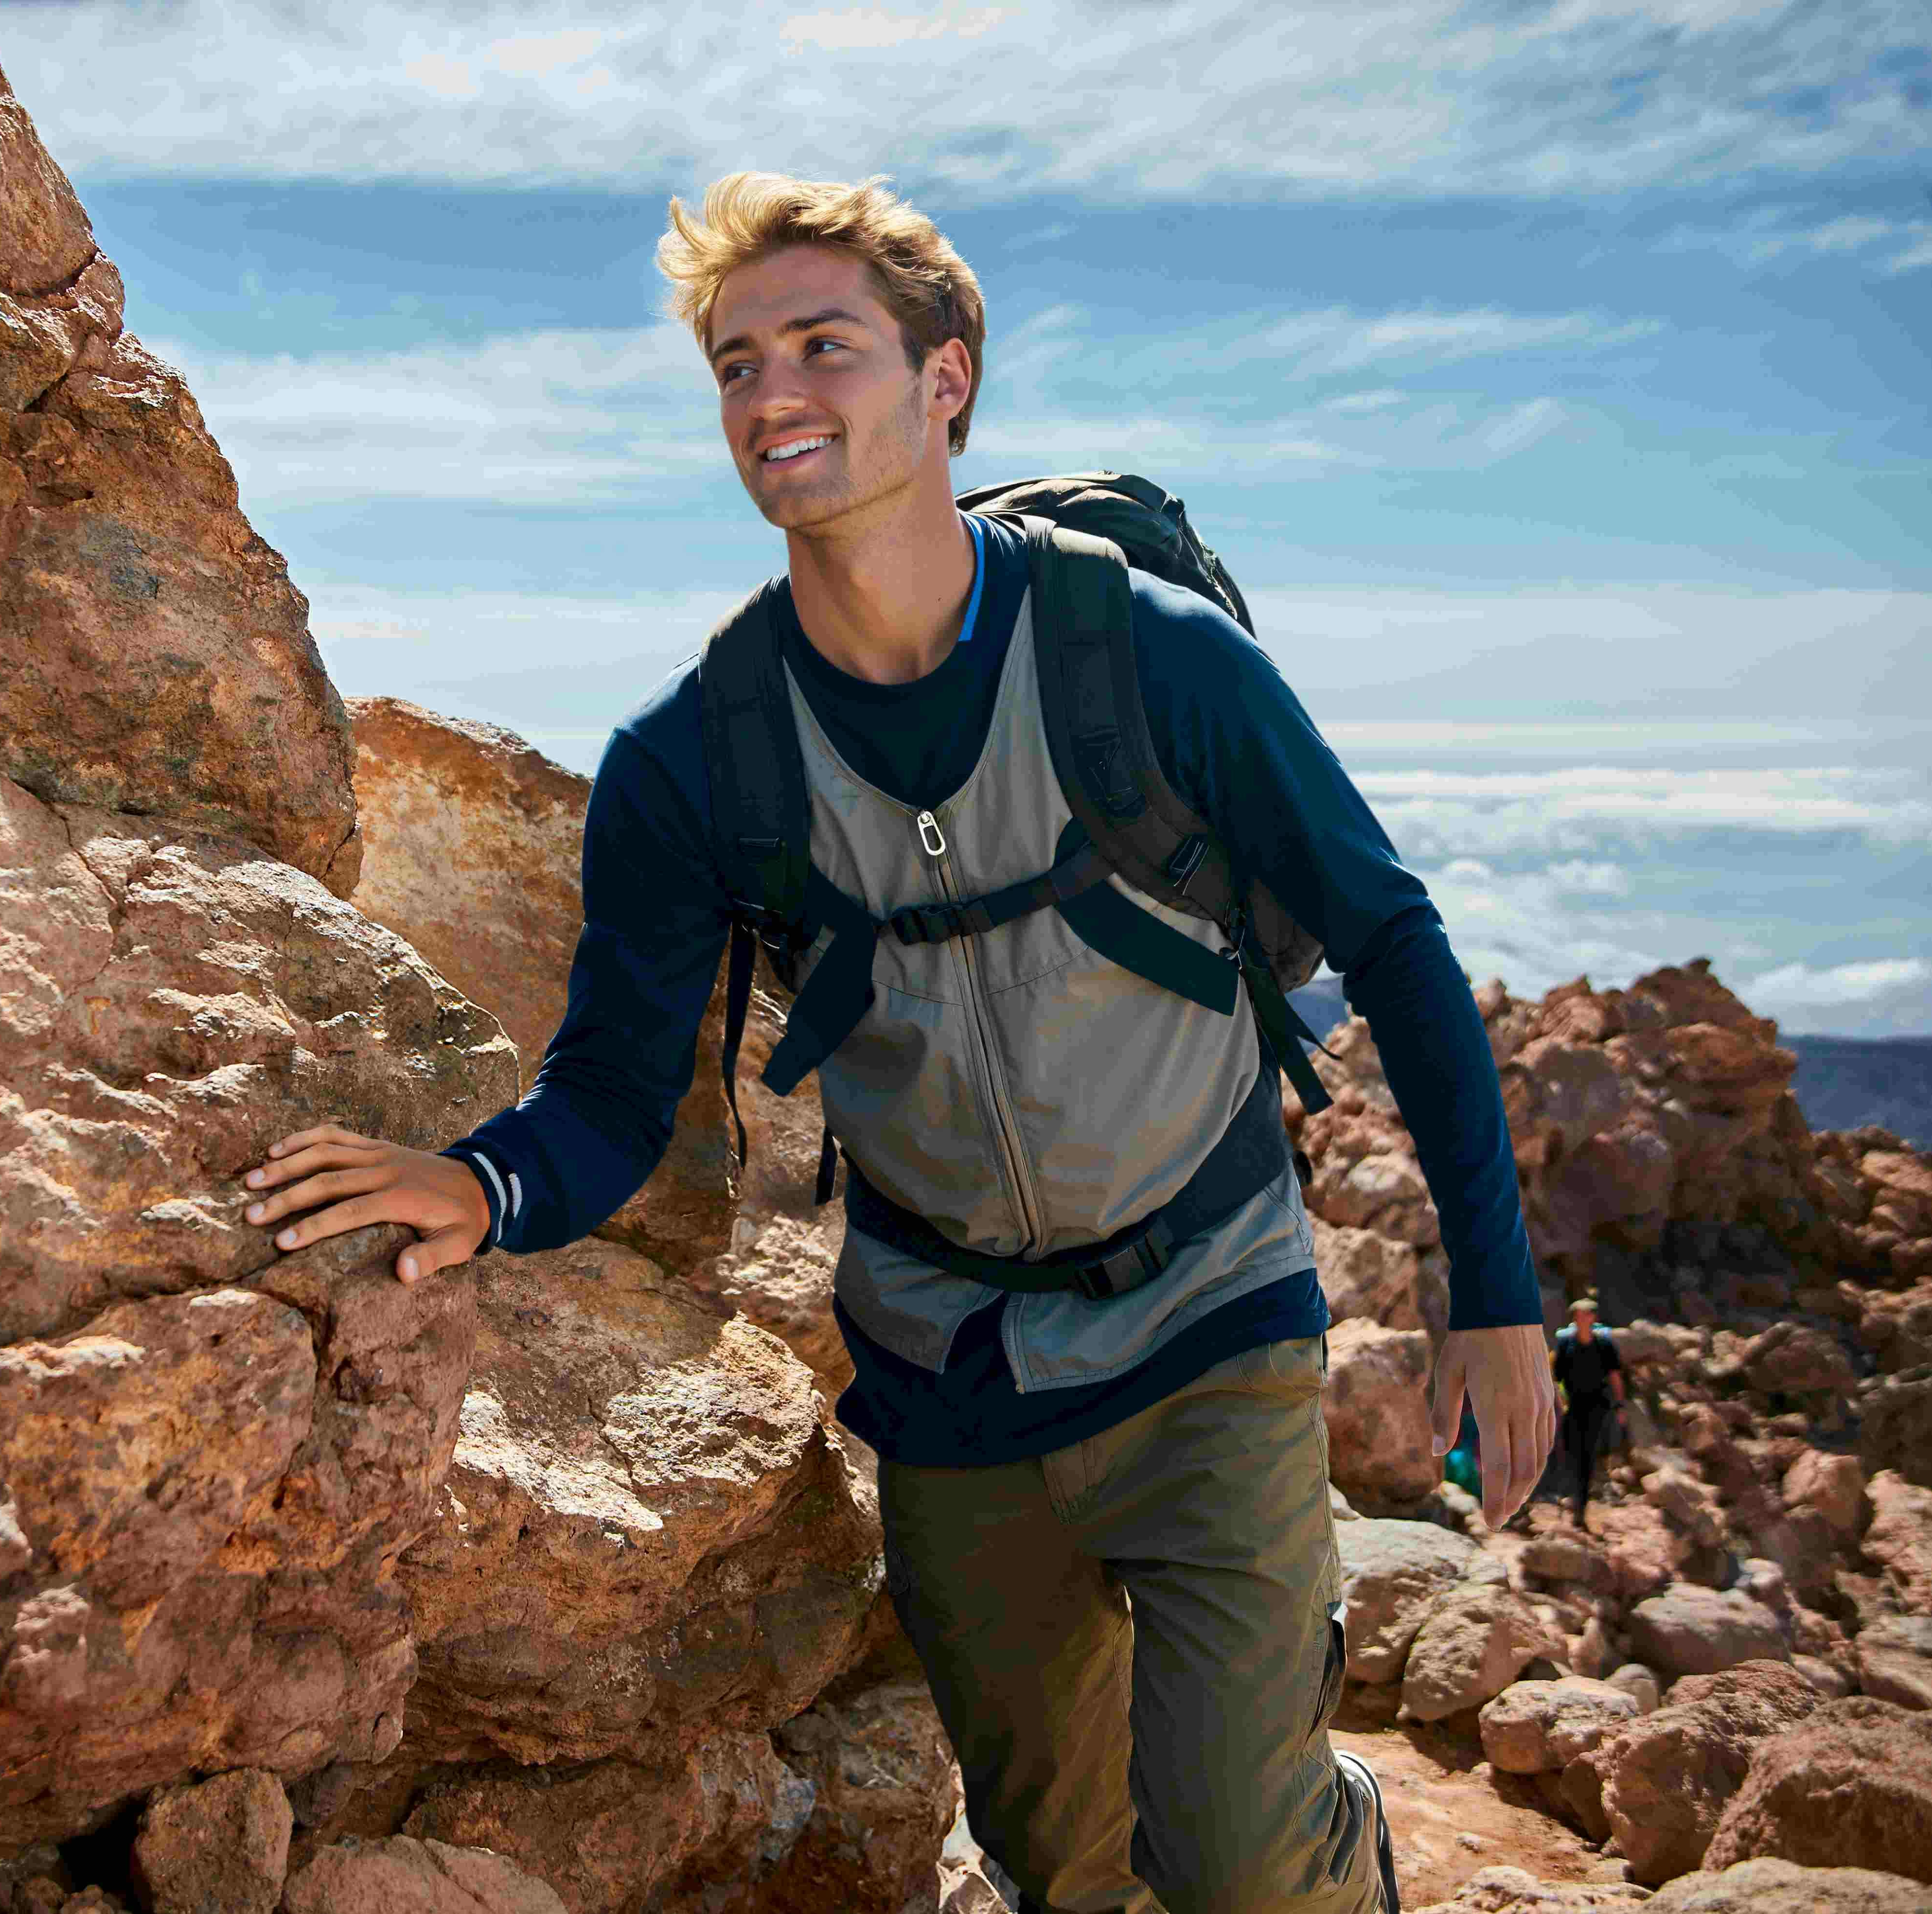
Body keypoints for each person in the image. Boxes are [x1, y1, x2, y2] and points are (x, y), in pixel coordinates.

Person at [239, 172, 1555, 1914]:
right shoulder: (690, 757)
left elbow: (1388, 936)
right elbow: (612, 1095)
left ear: (943, 379)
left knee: (1237, 1850)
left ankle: (1337, 1859)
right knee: (1057, 1859)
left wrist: (1493, 1289)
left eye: (820, 345)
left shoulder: (1146, 660)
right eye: (730, 362)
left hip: (1208, 1324)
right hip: (952, 1384)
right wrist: (477, 1183)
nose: (770, 393)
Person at [1551, 1295, 1629, 1526]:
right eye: (1577, 1316)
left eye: (1585, 1315)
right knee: (1573, 1452)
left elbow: (1615, 1376)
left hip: (1598, 1407)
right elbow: (1556, 1378)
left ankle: (1581, 1505)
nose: (1581, 1319)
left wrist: (1620, 1405)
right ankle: (1576, 1496)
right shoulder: (1566, 1345)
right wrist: (1560, 1401)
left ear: (1593, 1318)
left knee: (1588, 1453)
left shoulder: (1604, 1345)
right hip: (1573, 1406)